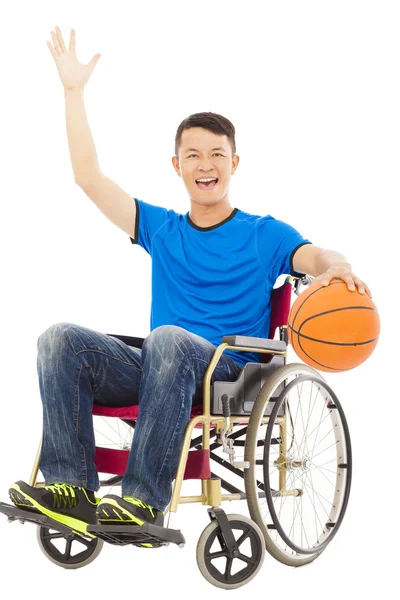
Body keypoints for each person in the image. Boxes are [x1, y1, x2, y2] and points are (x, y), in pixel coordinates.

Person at [9, 26, 372, 544]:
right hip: (161, 365)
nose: (206, 165)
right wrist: (73, 93)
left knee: (169, 338)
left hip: (231, 374)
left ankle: (142, 501)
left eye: (217, 154)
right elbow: (88, 178)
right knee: (58, 338)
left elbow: (314, 256)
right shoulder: (161, 228)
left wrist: (337, 264)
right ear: (177, 166)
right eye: (194, 156)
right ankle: (70, 489)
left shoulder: (262, 233)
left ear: (234, 163)